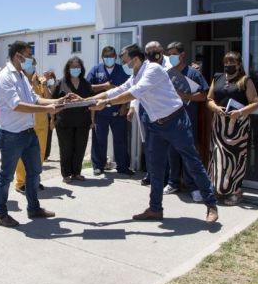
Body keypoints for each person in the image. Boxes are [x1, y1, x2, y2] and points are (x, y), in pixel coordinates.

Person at [87, 44, 219, 223]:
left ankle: (211, 205)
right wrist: (88, 99)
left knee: (192, 162)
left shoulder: (153, 70)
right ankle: (155, 209)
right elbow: (118, 89)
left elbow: (134, 92)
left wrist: (107, 103)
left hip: (176, 122)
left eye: (126, 61)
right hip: (156, 126)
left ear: (135, 59)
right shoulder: (136, 74)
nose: (124, 65)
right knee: (155, 169)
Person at [0, 40, 69, 228]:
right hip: (12, 135)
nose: (31, 59)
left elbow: (34, 98)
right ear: (18, 55)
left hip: (28, 133)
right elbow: (16, 105)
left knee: (34, 172)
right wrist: (47, 110)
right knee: (6, 176)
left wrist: (57, 101)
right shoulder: (4, 77)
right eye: (28, 54)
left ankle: (34, 208)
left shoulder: (21, 76)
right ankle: (0, 213)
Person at [207, 51, 258, 205]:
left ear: (239, 64)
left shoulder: (245, 80)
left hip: (237, 127)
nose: (228, 65)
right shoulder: (218, 77)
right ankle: (219, 190)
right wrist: (215, 108)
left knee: (235, 159)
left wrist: (240, 112)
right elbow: (209, 99)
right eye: (226, 62)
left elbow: (255, 103)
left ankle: (235, 191)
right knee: (218, 158)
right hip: (219, 125)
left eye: (232, 62)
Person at [163, 42, 210, 203]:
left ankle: (193, 187)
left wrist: (185, 96)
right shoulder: (167, 74)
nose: (171, 57)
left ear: (182, 55)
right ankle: (173, 182)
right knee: (172, 153)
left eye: (173, 54)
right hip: (170, 120)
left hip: (187, 120)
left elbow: (204, 96)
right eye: (169, 54)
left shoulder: (193, 73)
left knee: (189, 154)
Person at [127, 41, 172, 186]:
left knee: (164, 146)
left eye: (156, 50)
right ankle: (151, 174)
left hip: (163, 112)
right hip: (146, 110)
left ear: (161, 50)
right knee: (149, 145)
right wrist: (132, 107)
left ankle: (166, 178)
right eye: (150, 51)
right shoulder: (144, 68)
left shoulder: (170, 65)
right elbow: (136, 88)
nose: (154, 54)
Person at [86, 46, 133, 176]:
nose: (109, 59)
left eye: (111, 56)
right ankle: (98, 166)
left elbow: (129, 90)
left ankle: (123, 166)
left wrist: (125, 106)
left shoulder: (122, 70)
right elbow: (87, 86)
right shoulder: (96, 70)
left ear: (115, 57)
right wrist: (103, 86)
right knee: (99, 140)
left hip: (118, 112)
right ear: (102, 57)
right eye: (106, 56)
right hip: (100, 112)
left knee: (120, 140)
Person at [52, 57, 93, 183]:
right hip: (64, 123)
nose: (75, 69)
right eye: (73, 67)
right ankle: (66, 174)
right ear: (68, 69)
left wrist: (92, 120)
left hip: (83, 122)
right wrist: (52, 120)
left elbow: (92, 103)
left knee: (80, 148)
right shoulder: (60, 83)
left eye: (78, 67)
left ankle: (76, 173)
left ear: (81, 69)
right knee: (66, 148)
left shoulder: (86, 83)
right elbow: (53, 102)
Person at [14, 58, 50, 192]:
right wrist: (30, 82)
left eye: (34, 64)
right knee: (24, 155)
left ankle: (35, 180)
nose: (32, 67)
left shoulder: (39, 80)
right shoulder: (20, 80)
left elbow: (48, 98)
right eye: (29, 64)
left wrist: (44, 85)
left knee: (39, 154)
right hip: (27, 123)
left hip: (41, 123)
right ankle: (21, 182)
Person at [43, 70, 57, 161]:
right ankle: (44, 153)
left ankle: (46, 154)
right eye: (47, 77)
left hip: (51, 113)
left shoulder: (54, 86)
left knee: (49, 135)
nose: (49, 79)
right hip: (44, 114)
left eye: (50, 77)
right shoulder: (45, 85)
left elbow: (50, 97)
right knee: (44, 135)